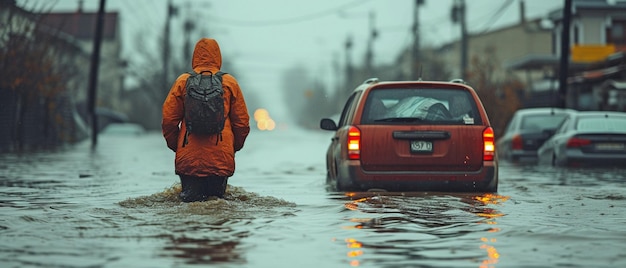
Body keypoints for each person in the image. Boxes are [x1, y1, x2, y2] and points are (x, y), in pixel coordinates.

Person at [162, 38, 250, 202]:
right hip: (220, 157)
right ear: (218, 57)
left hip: (188, 157)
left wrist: (178, 147)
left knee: (189, 210)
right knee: (217, 208)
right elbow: (242, 123)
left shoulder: (183, 81)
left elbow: (168, 120)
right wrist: (232, 148)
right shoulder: (230, 83)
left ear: (195, 56)